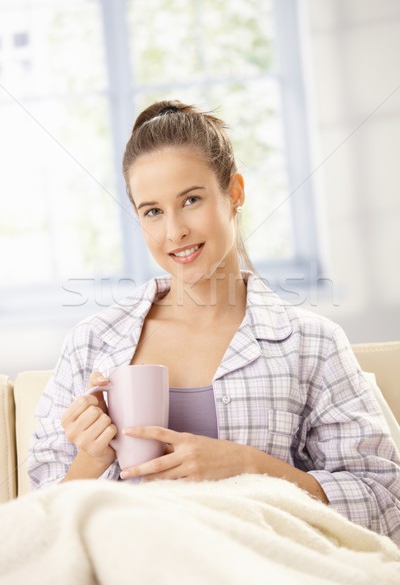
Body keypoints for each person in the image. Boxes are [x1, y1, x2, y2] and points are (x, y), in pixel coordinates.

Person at [28, 100, 400, 544]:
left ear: (235, 193)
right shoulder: (92, 344)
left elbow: (385, 502)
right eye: (152, 211)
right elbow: (41, 535)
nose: (174, 231)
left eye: (191, 200)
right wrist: (91, 459)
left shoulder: (310, 344)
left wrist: (251, 467)